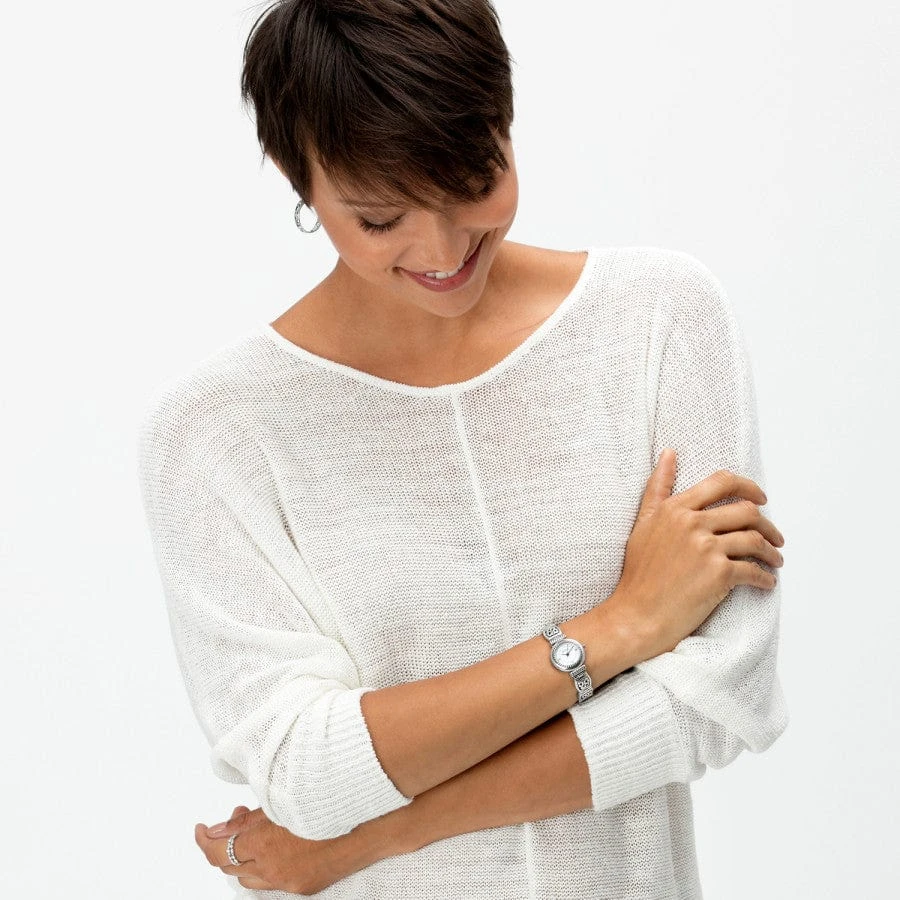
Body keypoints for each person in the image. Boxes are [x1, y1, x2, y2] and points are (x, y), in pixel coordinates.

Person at [136, 1, 789, 897]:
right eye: (379, 219)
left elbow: (717, 703)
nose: (441, 249)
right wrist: (621, 625)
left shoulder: (659, 320)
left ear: (507, 119)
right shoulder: (215, 430)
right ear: (300, 180)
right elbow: (307, 772)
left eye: (474, 181)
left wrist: (362, 839)